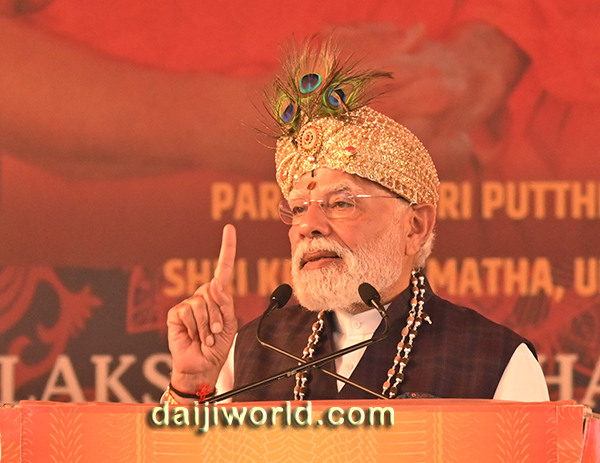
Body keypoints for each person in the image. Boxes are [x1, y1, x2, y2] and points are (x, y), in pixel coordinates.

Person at [163, 40, 549, 404]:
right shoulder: (254, 348)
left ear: (415, 227)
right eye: (298, 208)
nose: (308, 226)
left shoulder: (496, 359)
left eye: (341, 203)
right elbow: (193, 446)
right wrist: (191, 385)